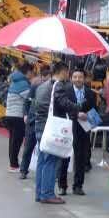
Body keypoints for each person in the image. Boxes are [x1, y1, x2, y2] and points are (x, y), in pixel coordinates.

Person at [33, 63, 84, 205]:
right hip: (51, 128)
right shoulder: (58, 85)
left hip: (40, 126)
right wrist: (77, 106)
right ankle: (48, 194)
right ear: (63, 71)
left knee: (42, 160)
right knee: (50, 161)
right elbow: (64, 103)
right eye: (68, 72)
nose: (68, 75)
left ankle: (40, 193)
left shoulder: (41, 86)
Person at [56, 69, 97, 196]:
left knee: (81, 158)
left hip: (83, 128)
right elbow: (62, 108)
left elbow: (93, 109)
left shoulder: (90, 93)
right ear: (71, 78)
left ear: (84, 79)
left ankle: (78, 186)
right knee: (65, 156)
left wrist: (88, 117)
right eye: (75, 77)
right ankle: (62, 186)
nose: (77, 79)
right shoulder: (65, 91)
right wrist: (76, 114)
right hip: (68, 126)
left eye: (80, 77)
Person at [3, 61, 32, 172]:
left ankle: (12, 163)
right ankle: (14, 165)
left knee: (12, 140)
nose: (32, 75)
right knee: (16, 141)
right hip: (17, 115)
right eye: (32, 72)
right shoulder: (23, 83)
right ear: (28, 72)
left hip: (9, 114)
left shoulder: (15, 81)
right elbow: (29, 99)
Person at [18, 69, 43, 179]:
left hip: (44, 122)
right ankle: (23, 170)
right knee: (28, 147)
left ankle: (42, 172)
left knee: (44, 149)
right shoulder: (35, 87)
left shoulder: (53, 88)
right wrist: (25, 114)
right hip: (32, 121)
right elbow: (26, 102)